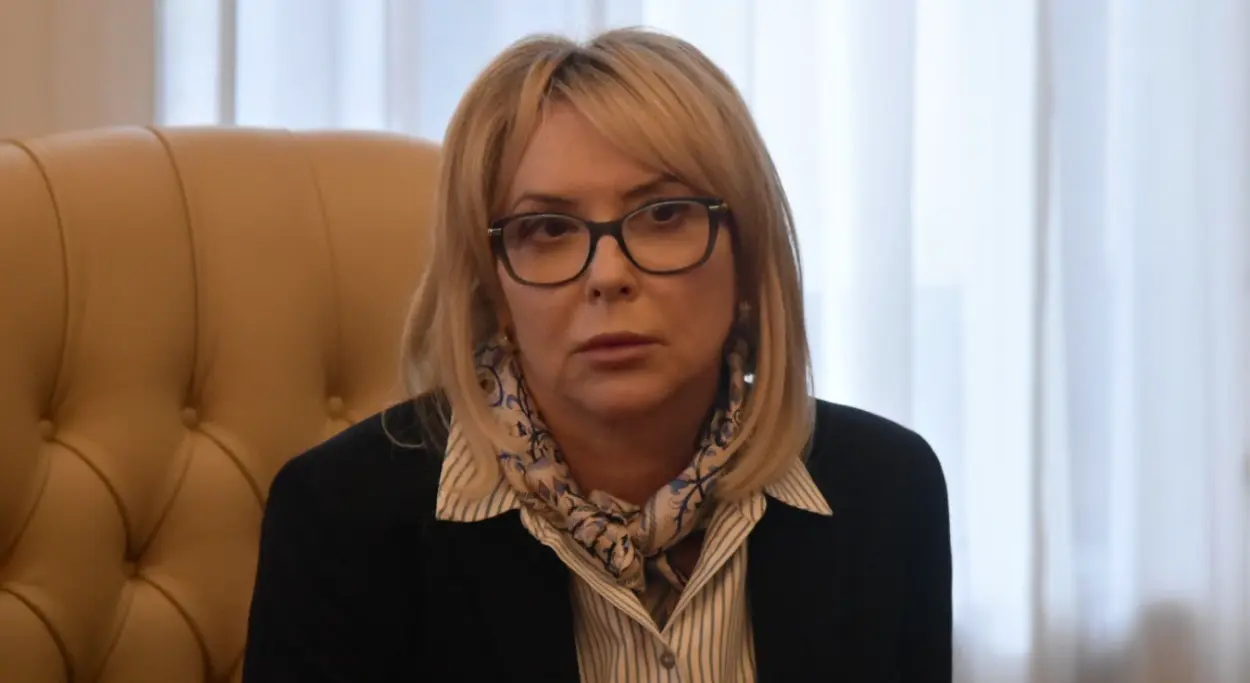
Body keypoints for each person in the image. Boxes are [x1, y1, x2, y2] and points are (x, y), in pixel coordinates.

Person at [242, 27, 951, 683]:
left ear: (746, 255)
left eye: (664, 214)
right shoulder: (341, 518)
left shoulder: (886, 493)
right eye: (548, 228)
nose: (608, 275)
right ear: (493, 285)